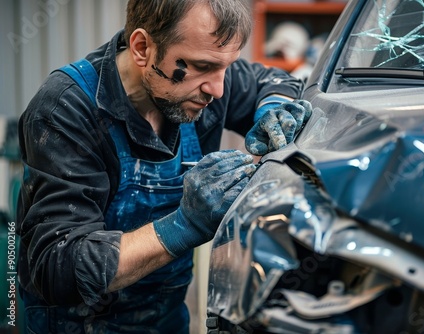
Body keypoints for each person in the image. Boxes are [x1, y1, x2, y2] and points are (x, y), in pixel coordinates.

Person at [16, 0, 312, 333]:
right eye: (202, 66)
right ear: (142, 48)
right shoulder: (66, 110)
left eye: (226, 66)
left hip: (165, 321)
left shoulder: (205, 82)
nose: (218, 89)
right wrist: (184, 226)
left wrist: (275, 109)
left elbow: (273, 81)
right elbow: (59, 267)